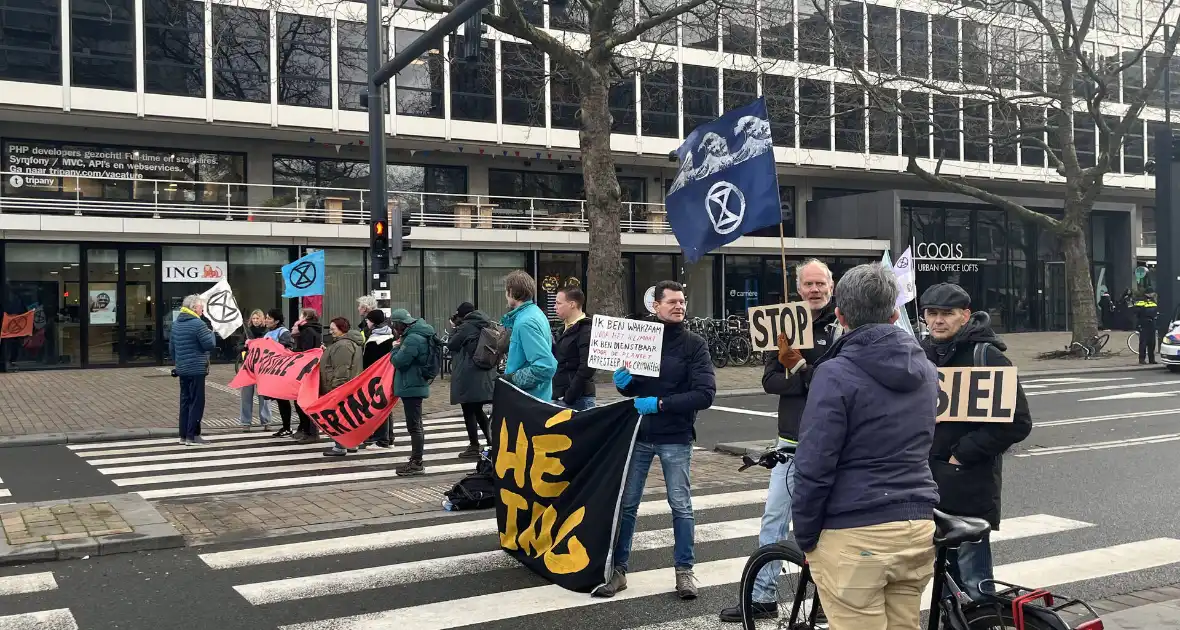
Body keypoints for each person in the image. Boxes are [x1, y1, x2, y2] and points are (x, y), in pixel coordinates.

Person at [791, 263, 941, 630]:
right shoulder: (926, 370)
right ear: (893, 315)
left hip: (856, 529)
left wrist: (806, 535)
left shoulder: (834, 373)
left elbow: (814, 463)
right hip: (917, 523)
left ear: (840, 315)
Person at [719, 259, 839, 623]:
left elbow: (840, 381)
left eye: (820, 283)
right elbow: (770, 381)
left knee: (827, 526)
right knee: (774, 519)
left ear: (831, 287)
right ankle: (763, 597)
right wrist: (803, 377)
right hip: (789, 441)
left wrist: (802, 369)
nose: (814, 290)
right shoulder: (783, 326)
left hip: (831, 443)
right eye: (808, 284)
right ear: (798, 287)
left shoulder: (842, 327)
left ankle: (823, 600)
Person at [594, 280, 716, 600]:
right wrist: (624, 384)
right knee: (628, 503)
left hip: (675, 437)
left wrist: (661, 404)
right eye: (672, 302)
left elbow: (705, 394)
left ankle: (684, 572)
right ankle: (618, 571)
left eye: (682, 301)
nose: (679, 306)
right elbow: (634, 387)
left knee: (680, 505)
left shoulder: (694, 345)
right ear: (656, 306)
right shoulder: (641, 340)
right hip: (640, 435)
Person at [920, 283, 1032, 601]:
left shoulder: (987, 356)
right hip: (928, 484)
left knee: (975, 584)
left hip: (968, 485)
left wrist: (962, 454)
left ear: (964, 316)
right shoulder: (920, 355)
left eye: (947, 313)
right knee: (943, 584)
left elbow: (1018, 423)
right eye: (932, 313)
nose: (938, 320)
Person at [388, 308, 436, 476]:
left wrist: (395, 348)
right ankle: (416, 460)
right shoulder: (416, 335)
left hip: (411, 385)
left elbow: (399, 361)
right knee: (416, 425)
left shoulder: (413, 339)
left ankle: (416, 462)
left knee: (414, 426)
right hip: (415, 384)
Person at [446, 302, 497, 458]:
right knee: (477, 410)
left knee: (469, 411)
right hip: (484, 374)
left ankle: (475, 445)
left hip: (469, 375)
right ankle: (491, 442)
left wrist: (455, 327)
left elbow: (452, 344)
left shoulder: (466, 326)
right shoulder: (486, 323)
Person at [500, 270, 558, 401]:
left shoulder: (525, 322)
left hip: (527, 402)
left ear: (510, 291)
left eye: (505, 291)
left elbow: (546, 366)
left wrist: (512, 378)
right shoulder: (535, 313)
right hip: (536, 398)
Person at [169, 294, 217, 446]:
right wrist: (212, 333)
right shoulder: (198, 324)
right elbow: (209, 345)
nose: (202, 310)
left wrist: (179, 362)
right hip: (196, 369)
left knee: (185, 402)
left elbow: (171, 348)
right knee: (197, 402)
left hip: (182, 369)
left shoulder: (176, 324)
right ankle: (193, 436)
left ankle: (183, 435)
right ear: (194, 308)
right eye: (201, 307)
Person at [322, 317, 366, 457]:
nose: (331, 331)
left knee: (339, 417)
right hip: (349, 385)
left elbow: (342, 369)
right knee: (348, 416)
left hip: (340, 387)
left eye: (333, 328)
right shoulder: (347, 343)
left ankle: (340, 446)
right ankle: (350, 444)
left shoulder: (343, 345)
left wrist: (336, 388)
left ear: (341, 329)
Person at [551, 286, 595, 411]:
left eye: (558, 303)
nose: (555, 307)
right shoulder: (563, 329)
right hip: (561, 395)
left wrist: (569, 396)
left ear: (572, 304)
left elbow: (586, 367)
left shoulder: (586, 329)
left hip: (579, 399)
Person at [361, 309, 396, 449]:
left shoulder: (375, 340)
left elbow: (368, 362)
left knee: (379, 406)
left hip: (376, 378)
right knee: (387, 406)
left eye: (368, 320)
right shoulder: (390, 334)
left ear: (373, 322)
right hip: (388, 376)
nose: (366, 323)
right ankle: (389, 437)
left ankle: (381, 439)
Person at [291, 307, 323, 444]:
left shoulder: (307, 331)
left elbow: (306, 352)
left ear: (305, 317)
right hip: (310, 370)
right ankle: (307, 430)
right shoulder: (311, 329)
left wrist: (294, 353)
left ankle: (311, 432)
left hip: (306, 371)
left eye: (301, 315)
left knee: (305, 402)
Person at [263, 309, 297, 437]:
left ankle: (287, 427)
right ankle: (285, 426)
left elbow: (287, 347)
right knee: (279, 399)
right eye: (266, 317)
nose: (266, 320)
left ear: (276, 321)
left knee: (282, 399)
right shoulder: (268, 333)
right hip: (272, 370)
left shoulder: (283, 332)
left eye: (269, 318)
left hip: (281, 370)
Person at [238, 309, 272, 431]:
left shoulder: (267, 332)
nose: (256, 321)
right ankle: (246, 422)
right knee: (246, 395)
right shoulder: (247, 332)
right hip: (248, 367)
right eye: (254, 318)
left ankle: (266, 421)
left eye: (258, 318)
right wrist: (245, 345)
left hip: (263, 367)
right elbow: (238, 347)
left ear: (262, 319)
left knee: (264, 395)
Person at [1134, 292, 1160, 364]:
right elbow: (1137, 313)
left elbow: (1155, 313)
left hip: (1151, 324)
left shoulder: (1153, 303)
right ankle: (1142, 359)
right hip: (1144, 324)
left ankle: (1151, 359)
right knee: (1143, 343)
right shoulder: (1141, 303)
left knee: (1152, 343)